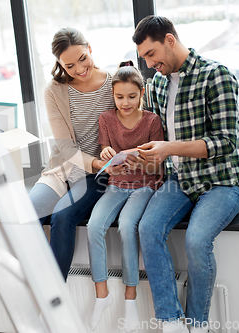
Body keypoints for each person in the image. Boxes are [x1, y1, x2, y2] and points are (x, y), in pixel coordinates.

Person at [132, 16, 239, 333]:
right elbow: (155, 136)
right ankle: (170, 321)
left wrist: (168, 148)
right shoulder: (156, 83)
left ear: (170, 40)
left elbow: (226, 142)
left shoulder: (216, 75)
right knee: (148, 228)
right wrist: (138, 155)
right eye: (144, 57)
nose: (149, 63)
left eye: (151, 54)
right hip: (180, 180)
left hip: (221, 180)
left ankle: (198, 325)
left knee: (197, 241)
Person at [28, 27, 114, 280]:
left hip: (96, 174)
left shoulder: (114, 83)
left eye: (82, 59)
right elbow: (65, 148)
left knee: (62, 217)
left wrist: (100, 164)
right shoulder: (53, 91)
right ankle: (40, 284)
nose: (79, 69)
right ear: (59, 64)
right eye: (69, 65)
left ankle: (55, 294)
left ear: (90, 48)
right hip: (62, 169)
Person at [86, 61, 163, 332]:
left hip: (144, 186)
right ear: (113, 95)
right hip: (116, 185)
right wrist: (108, 158)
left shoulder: (152, 121)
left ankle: (130, 299)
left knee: (128, 227)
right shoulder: (106, 119)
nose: (125, 102)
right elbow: (106, 156)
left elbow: (158, 166)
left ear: (142, 93)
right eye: (119, 97)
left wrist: (140, 164)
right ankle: (102, 295)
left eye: (132, 96)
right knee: (95, 226)